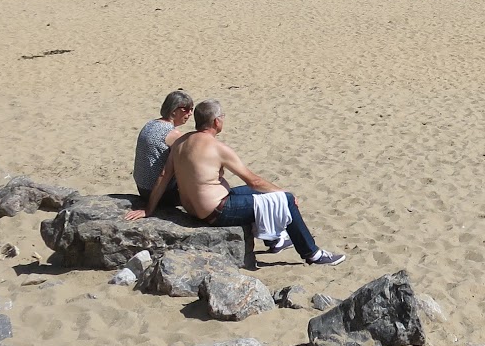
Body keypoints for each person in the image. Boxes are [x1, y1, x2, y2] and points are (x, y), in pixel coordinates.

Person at [125, 100, 345, 265]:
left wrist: (149, 209)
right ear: (216, 121)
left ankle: (274, 241)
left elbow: (163, 176)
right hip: (217, 212)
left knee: (254, 193)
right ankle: (312, 253)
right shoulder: (217, 148)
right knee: (284, 200)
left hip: (193, 209)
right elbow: (254, 179)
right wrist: (286, 193)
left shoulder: (181, 141)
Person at [133, 90, 194, 203]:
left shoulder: (150, 124)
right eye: (185, 109)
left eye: (191, 109)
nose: (190, 113)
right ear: (174, 110)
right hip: (159, 192)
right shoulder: (173, 135)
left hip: (142, 187)